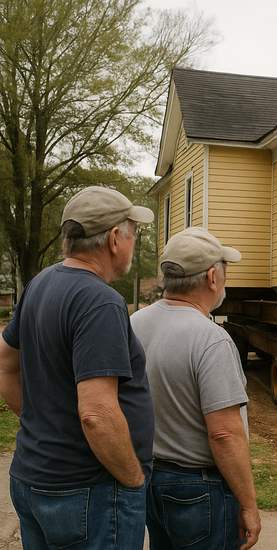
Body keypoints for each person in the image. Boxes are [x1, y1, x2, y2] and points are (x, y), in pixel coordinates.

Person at [0, 186, 155, 549]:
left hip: (33, 478)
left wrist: (42, 422)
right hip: (88, 492)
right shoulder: (100, 301)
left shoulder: (41, 283)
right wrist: (133, 480)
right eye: (133, 234)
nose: (134, 243)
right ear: (115, 238)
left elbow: (5, 366)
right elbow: (97, 413)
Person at [131, 227, 261, 550]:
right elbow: (224, 434)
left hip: (150, 477)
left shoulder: (133, 325)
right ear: (213, 277)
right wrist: (248, 504)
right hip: (199, 490)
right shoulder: (211, 339)